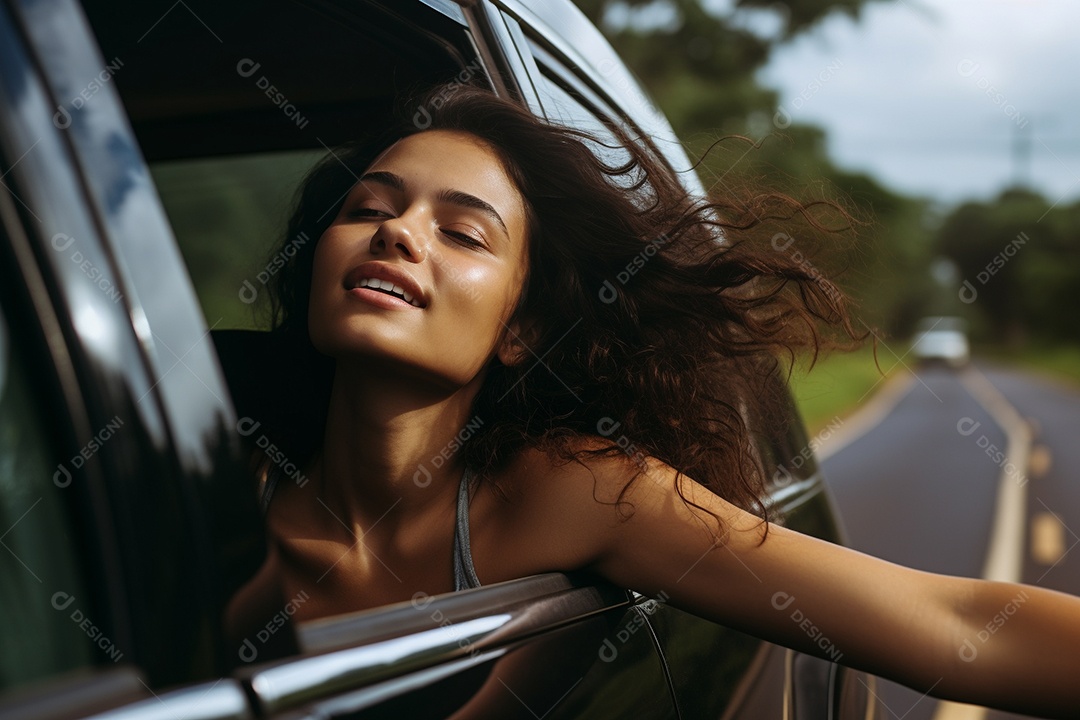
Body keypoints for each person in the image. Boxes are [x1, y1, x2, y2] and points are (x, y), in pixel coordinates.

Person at [236, 84, 1080, 717]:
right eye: (370, 208)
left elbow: (955, 619)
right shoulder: (210, 476)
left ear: (519, 328)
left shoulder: (568, 491)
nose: (397, 231)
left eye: (462, 233)